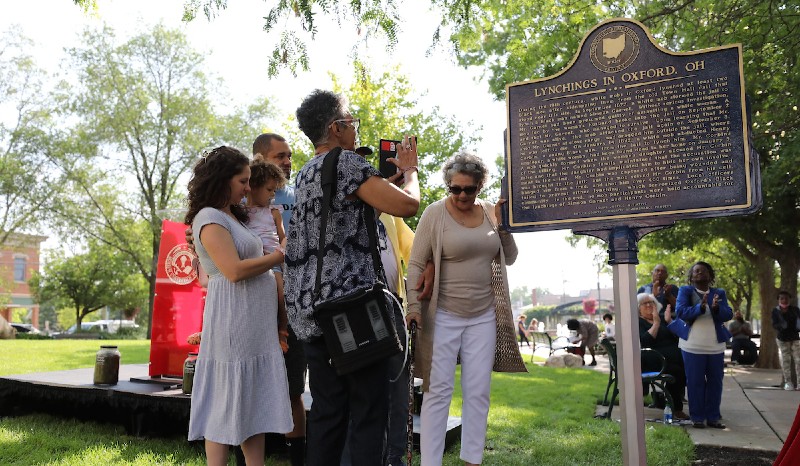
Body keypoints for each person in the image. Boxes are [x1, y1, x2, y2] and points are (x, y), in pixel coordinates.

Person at [284, 89, 420, 465]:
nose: (355, 130)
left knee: (328, 411)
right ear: (336, 127)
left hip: (312, 312)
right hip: (353, 311)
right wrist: (410, 174)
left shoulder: (306, 173)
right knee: (369, 410)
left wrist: (380, 184)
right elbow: (408, 205)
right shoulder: (346, 162)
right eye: (351, 122)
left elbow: (344, 226)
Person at [405, 152, 524, 466]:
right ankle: (431, 462)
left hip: (483, 314)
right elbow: (416, 263)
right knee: (437, 391)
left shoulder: (489, 212)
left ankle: (473, 459)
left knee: (478, 392)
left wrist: (503, 227)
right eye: (454, 189)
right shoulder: (435, 213)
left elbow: (509, 257)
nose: (460, 195)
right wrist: (414, 307)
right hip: (443, 314)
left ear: (479, 186)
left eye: (468, 189)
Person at [185, 146, 292, 466]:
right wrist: (279, 256)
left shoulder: (235, 215)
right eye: (243, 181)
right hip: (234, 320)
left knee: (251, 403)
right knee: (224, 403)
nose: (249, 187)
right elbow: (232, 271)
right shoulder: (209, 217)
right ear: (223, 180)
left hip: (254, 324)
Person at [252, 133, 308, 465]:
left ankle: (297, 457)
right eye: (279, 156)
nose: (287, 161)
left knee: (291, 387)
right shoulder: (243, 199)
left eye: (289, 155)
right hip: (254, 299)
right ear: (259, 160)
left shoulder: (300, 195)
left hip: (295, 299)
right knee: (251, 382)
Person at [676, 261, 733, 429]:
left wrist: (716, 308)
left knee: (716, 382)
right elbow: (680, 312)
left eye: (704, 271)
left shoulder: (719, 293)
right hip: (692, 346)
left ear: (710, 275)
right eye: (696, 271)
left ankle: (713, 417)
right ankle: (698, 417)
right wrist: (699, 308)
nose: (700, 273)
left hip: (715, 346)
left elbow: (727, 313)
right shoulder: (685, 291)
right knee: (695, 382)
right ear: (691, 277)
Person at [637, 293, 689, 420]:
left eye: (652, 302)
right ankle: (675, 408)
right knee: (677, 371)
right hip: (653, 359)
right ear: (638, 308)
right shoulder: (638, 322)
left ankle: (672, 403)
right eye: (645, 303)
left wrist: (669, 321)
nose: (649, 305)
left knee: (685, 368)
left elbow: (678, 337)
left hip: (671, 358)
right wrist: (656, 324)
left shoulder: (662, 318)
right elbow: (645, 342)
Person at [772, 291, 800, 390]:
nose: (784, 300)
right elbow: (774, 324)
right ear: (778, 300)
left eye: (786, 298)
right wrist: (781, 326)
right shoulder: (776, 311)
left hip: (795, 338)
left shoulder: (795, 310)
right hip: (782, 339)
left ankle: (799, 383)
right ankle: (788, 382)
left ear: (790, 299)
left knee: (798, 360)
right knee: (785, 361)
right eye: (782, 298)